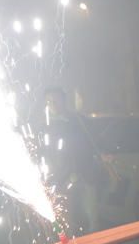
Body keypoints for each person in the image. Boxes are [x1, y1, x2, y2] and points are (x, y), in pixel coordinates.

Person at [33, 87, 104, 233]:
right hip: (59, 177)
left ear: (64, 101)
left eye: (56, 100)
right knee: (65, 214)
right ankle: (71, 243)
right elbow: (39, 153)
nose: (53, 104)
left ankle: (94, 239)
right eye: (49, 101)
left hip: (85, 172)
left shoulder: (79, 120)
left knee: (92, 212)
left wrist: (102, 154)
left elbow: (93, 141)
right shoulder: (41, 127)